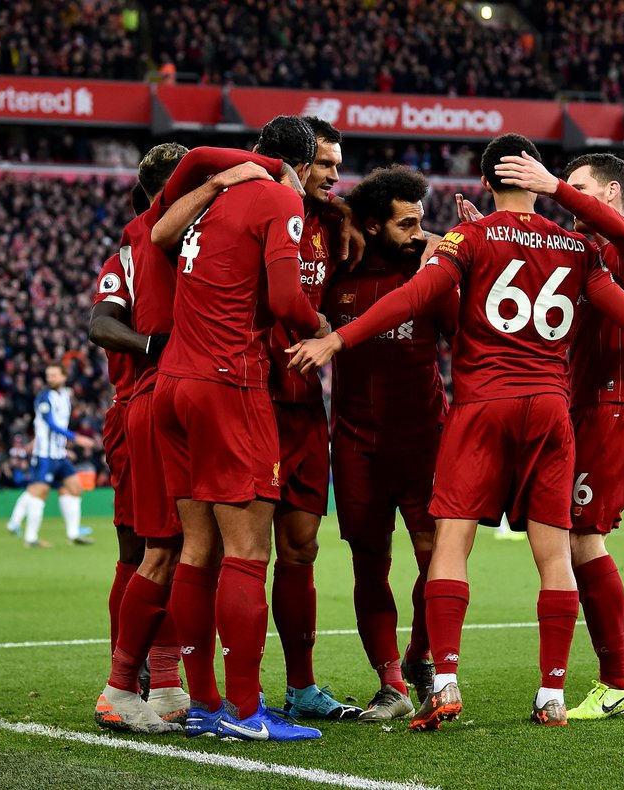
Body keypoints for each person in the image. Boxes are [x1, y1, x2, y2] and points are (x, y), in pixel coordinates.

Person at [288, 133, 624, 731]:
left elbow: (415, 295)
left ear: (488, 181)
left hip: (483, 407)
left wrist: (338, 337)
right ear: (537, 178)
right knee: (555, 554)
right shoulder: (577, 247)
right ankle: (551, 694)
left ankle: (442, 681)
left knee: (449, 543)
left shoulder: (468, 239)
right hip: (551, 409)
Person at [92, 142, 282, 734]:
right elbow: (101, 321)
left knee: (183, 549)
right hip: (156, 399)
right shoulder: (150, 234)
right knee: (161, 551)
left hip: (167, 399)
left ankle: (172, 685)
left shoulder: (182, 234)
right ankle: (122, 686)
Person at [153, 124, 329, 742]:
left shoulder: (216, 194)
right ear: (301, 167)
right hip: (230, 382)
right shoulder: (282, 197)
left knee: (198, 550)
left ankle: (202, 703)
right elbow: (286, 300)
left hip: (173, 384)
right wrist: (320, 325)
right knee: (249, 553)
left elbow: (158, 233)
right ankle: (248, 710)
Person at [492, 150, 624, 719]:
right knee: (560, 535)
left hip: (615, 404)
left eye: (577, 187)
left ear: (612, 194)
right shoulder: (580, 253)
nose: (564, 195)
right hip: (577, 403)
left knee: (578, 540)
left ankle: (618, 676)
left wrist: (550, 186)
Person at [323, 165, 457, 722]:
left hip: (424, 439)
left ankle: (420, 656)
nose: (419, 231)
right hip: (356, 442)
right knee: (368, 564)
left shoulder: (432, 269)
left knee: (435, 556)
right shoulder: (340, 271)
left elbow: (465, 337)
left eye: (422, 220)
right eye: (408, 223)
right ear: (372, 226)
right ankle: (390, 684)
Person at [264, 117, 362, 721]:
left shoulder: (328, 221)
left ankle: (300, 686)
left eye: (336, 164)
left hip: (304, 403)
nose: (332, 174)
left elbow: (390, 221)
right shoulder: (254, 208)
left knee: (301, 549)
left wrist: (344, 209)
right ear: (297, 162)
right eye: (324, 163)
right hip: (252, 397)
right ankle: (203, 685)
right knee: (232, 550)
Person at [16, 363, 95, 548]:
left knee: (75, 488)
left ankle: (73, 534)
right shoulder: (45, 397)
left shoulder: (65, 396)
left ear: (63, 376)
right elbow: (51, 424)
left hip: (59, 454)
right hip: (45, 455)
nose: (50, 378)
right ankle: (30, 537)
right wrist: (76, 438)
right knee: (39, 493)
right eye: (48, 375)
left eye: (54, 375)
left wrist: (65, 445)